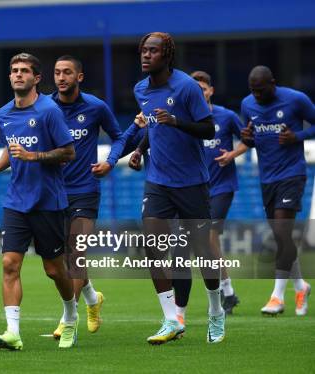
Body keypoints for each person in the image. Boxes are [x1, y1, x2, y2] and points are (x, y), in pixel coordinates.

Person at [131, 32, 225, 344]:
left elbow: (207, 128)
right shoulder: (140, 89)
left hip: (191, 183)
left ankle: (216, 311)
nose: (146, 55)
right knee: (152, 246)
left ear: (167, 56)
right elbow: (154, 127)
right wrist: (140, 149)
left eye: (153, 51)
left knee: (202, 252)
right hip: (157, 180)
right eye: (144, 50)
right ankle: (171, 319)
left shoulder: (185, 87)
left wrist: (176, 122)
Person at [0, 52, 78, 350]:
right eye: (14, 70)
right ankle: (13, 332)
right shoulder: (4, 114)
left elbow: (68, 152)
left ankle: (71, 316)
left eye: (24, 70)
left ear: (36, 78)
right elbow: (11, 150)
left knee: (54, 269)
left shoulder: (49, 111)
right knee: (10, 264)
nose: (18, 74)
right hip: (16, 201)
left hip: (48, 201)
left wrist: (34, 156)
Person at [50, 55, 126, 338]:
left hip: (85, 190)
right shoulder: (45, 107)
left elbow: (119, 136)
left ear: (79, 77)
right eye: (57, 72)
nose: (61, 77)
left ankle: (67, 318)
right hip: (54, 194)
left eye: (67, 72)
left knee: (76, 254)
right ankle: (93, 300)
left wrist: (111, 160)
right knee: (62, 260)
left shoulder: (95, 107)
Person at [171, 71, 246, 325]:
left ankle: (224, 292)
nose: (200, 92)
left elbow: (249, 138)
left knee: (210, 236)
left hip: (222, 186)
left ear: (210, 91)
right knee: (196, 244)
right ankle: (227, 291)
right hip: (195, 190)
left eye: (203, 88)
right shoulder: (186, 119)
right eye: (196, 89)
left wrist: (232, 155)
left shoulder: (226, 116)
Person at [240, 65, 315, 316]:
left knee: (282, 233)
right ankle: (301, 285)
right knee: (282, 237)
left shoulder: (295, 100)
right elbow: (249, 139)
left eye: (261, 91)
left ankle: (277, 297)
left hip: (291, 174)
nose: (257, 96)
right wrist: (247, 137)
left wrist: (298, 136)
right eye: (253, 91)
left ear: (273, 83)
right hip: (267, 178)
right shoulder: (247, 104)